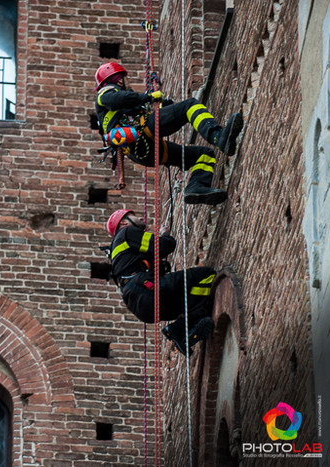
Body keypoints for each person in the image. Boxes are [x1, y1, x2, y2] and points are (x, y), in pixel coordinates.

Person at [93, 62, 244, 205]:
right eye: (125, 79)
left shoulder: (121, 106)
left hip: (143, 153)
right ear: (118, 80)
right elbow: (120, 99)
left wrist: (163, 103)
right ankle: (218, 137)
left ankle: (196, 187)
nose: (128, 83)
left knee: (204, 154)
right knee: (190, 106)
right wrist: (149, 97)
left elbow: (136, 105)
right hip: (142, 135)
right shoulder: (105, 94)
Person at [106, 208, 216, 355]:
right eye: (133, 215)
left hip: (142, 307)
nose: (140, 218)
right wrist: (164, 235)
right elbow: (163, 247)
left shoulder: (118, 253)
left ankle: (179, 329)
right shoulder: (127, 233)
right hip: (146, 290)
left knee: (189, 300)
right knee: (205, 275)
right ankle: (186, 324)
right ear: (124, 222)